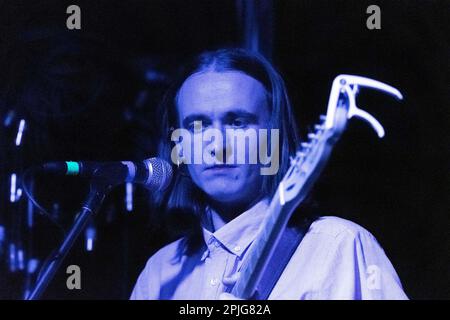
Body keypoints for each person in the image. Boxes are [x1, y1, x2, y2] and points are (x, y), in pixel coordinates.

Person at [130, 48, 408, 300]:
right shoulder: (159, 275)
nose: (218, 145)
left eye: (238, 122)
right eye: (197, 126)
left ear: (275, 136)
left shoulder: (338, 246)